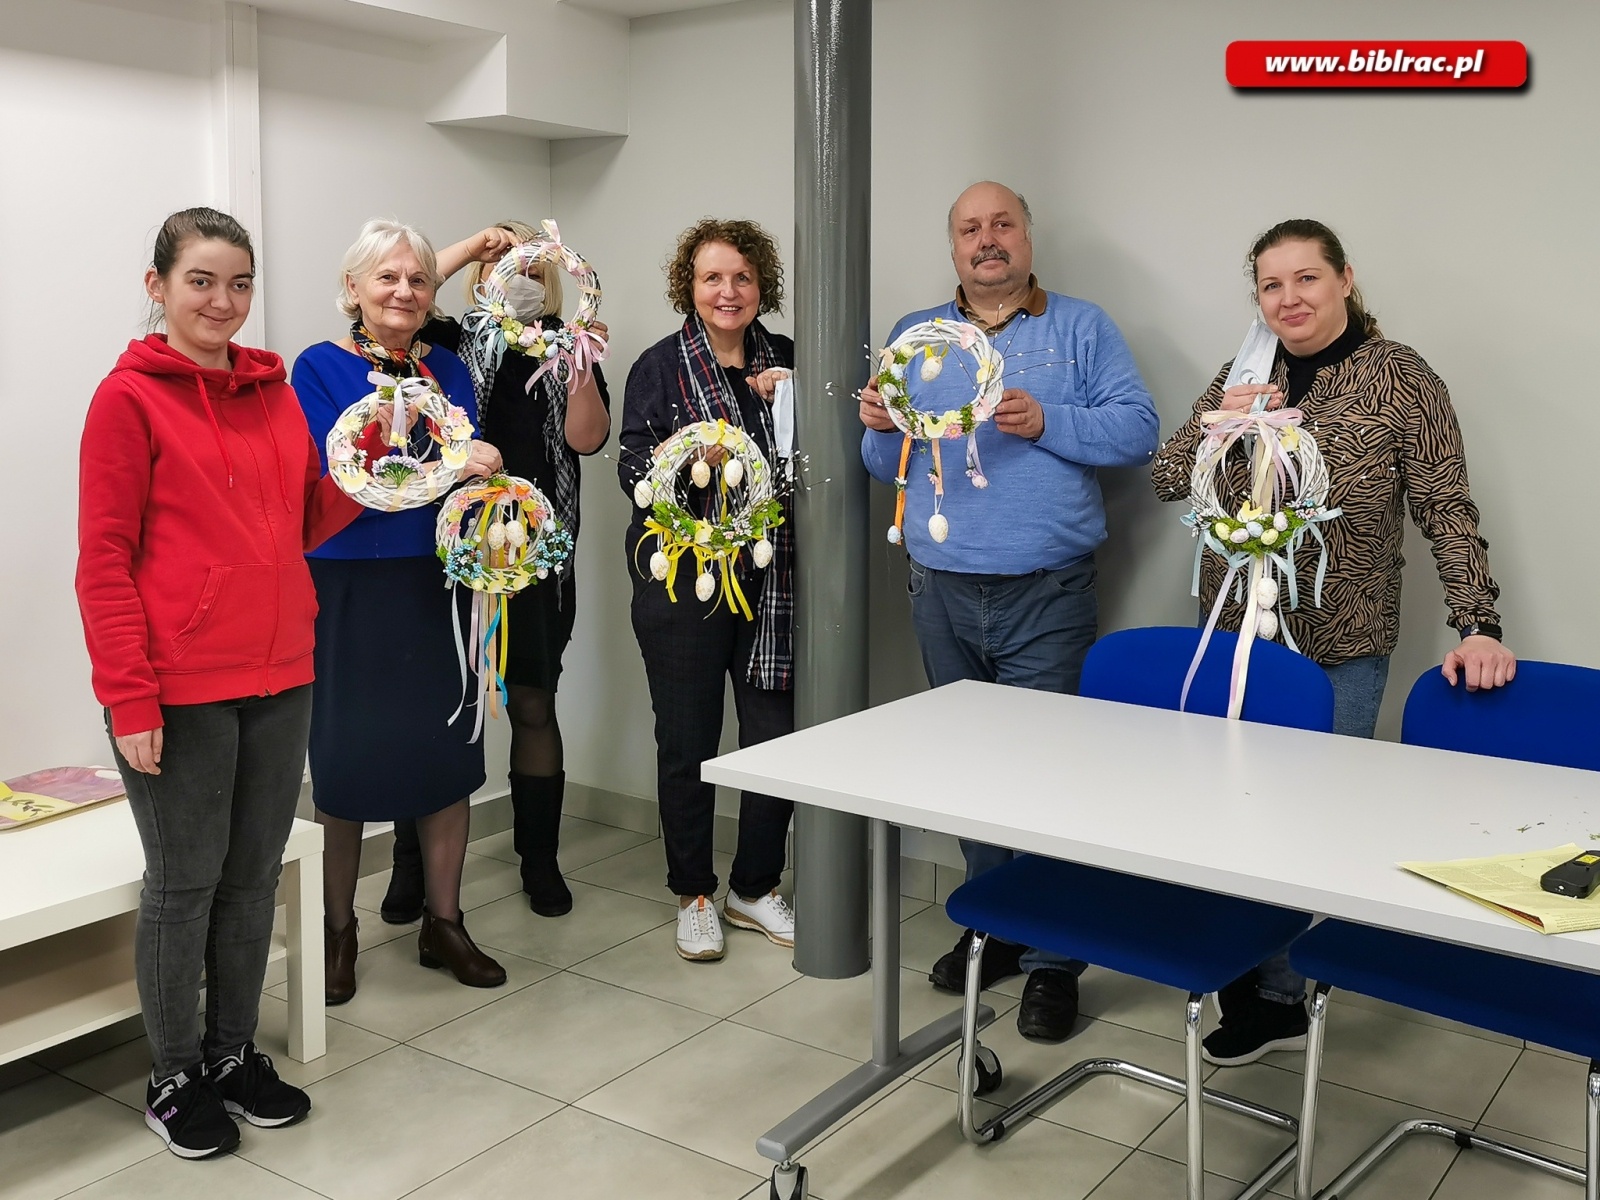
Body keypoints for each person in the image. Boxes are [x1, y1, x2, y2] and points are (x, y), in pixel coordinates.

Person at [1152, 217, 1516, 1066]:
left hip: (1341, 638)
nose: (1290, 299)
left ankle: (1282, 994)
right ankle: (1239, 969)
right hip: (1238, 636)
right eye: (1271, 285)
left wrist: (1480, 623)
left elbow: (1446, 507)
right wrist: (1218, 420)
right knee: (1228, 809)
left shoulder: (1398, 377)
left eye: (1307, 279)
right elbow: (1170, 477)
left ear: (1345, 280)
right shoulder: (1245, 372)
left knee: (1308, 820)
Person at [77, 207, 359, 1158]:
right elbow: (104, 560)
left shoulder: (274, 394)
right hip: (180, 683)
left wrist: (394, 469)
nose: (223, 301)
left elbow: (306, 519)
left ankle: (233, 1054)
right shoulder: (127, 401)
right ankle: (174, 1074)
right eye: (201, 280)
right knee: (183, 886)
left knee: (251, 882)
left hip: (282, 672)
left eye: (239, 283)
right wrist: (128, 695)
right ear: (157, 286)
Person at [860, 181, 1160, 1042]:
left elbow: (1139, 432)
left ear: (1027, 238)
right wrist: (880, 423)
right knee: (972, 776)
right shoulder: (915, 337)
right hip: (939, 589)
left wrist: (1046, 420)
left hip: (1047, 592)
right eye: (969, 229)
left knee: (1049, 780)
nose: (986, 241)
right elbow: (886, 463)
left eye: (1001, 226)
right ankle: (994, 925)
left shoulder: (1080, 328)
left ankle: (1055, 963)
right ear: (952, 247)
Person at [293, 218, 508, 1005]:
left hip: (437, 578)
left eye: (417, 280)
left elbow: (462, 468)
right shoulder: (318, 367)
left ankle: (443, 923)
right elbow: (346, 466)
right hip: (347, 581)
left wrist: (480, 470)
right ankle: (337, 930)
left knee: (447, 756)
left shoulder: (449, 366)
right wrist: (454, 457)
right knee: (344, 764)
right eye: (386, 277)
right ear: (353, 287)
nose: (403, 291)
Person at [375, 222, 612, 923]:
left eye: (535, 270)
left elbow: (587, 439)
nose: (520, 279)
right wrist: (475, 247)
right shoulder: (444, 341)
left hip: (534, 550)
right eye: (507, 268)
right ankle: (408, 864)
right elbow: (407, 295)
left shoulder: (570, 344)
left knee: (534, 702)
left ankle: (539, 858)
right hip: (445, 549)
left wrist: (575, 363)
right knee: (433, 708)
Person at [618, 218, 797, 962]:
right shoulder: (659, 367)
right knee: (687, 742)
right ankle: (693, 892)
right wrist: (695, 462)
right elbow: (631, 471)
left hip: (775, 582)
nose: (728, 292)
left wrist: (789, 405)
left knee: (775, 741)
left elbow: (818, 462)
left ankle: (753, 887)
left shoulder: (788, 360)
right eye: (712, 278)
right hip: (681, 583)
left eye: (742, 278)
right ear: (687, 287)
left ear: (763, 288)